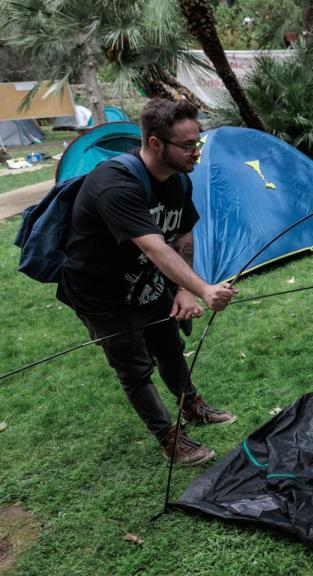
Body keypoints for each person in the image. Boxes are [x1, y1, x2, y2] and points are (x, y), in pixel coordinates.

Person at [58, 98, 239, 465]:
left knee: (169, 346)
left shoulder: (177, 180)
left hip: (145, 282)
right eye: (188, 146)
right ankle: (168, 437)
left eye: (197, 141)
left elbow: (183, 235)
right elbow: (156, 247)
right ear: (155, 144)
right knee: (135, 367)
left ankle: (192, 406)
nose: (196, 151)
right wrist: (205, 288)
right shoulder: (114, 184)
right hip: (99, 293)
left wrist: (186, 290)